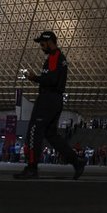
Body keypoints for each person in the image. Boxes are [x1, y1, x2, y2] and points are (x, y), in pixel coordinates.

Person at [13, 31, 86, 180]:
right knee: (51, 135)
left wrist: (35, 78)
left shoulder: (54, 57)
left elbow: (52, 80)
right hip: (55, 100)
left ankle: (32, 167)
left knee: (34, 130)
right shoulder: (58, 58)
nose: (41, 46)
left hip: (48, 99)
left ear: (49, 42)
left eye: (42, 43)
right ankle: (76, 161)